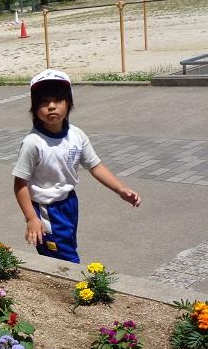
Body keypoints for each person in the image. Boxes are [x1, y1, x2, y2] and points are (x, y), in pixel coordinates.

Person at [12, 69, 141, 263]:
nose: (51, 106)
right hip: (47, 209)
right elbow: (20, 184)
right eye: (44, 102)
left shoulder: (76, 135)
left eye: (58, 100)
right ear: (35, 108)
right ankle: (78, 280)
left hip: (69, 203)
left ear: (69, 103)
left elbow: (95, 166)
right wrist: (31, 218)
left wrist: (120, 189)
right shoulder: (33, 143)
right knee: (65, 259)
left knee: (66, 248)